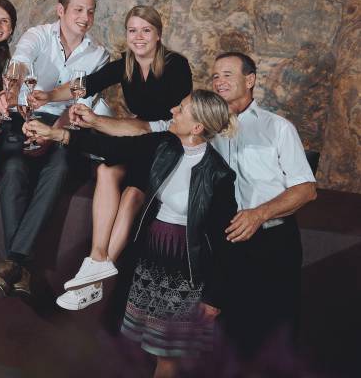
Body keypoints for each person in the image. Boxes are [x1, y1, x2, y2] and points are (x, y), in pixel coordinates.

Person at [113, 51, 317, 360]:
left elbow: (306, 189)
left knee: (272, 335)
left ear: (250, 80)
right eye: (215, 75)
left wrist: (258, 214)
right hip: (220, 242)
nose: (219, 80)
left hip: (271, 242)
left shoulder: (278, 128)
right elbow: (148, 129)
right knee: (216, 337)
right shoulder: (204, 123)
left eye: (228, 74)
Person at [25, 90, 238, 378]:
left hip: (185, 269)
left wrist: (213, 298)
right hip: (151, 258)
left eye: (182, 108)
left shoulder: (219, 175)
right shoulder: (164, 145)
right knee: (150, 348)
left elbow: (224, 241)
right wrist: (55, 133)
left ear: (197, 127)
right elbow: (112, 148)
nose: (173, 109)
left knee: (168, 357)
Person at [32, 5, 192, 309]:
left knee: (132, 194)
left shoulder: (176, 65)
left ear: (158, 34)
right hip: (137, 136)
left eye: (146, 30)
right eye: (133, 30)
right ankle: (97, 258)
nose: (139, 36)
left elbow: (177, 120)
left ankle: (92, 279)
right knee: (106, 172)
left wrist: (126, 126)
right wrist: (50, 96)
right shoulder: (126, 65)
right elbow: (85, 85)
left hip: (168, 141)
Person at [0, 0, 109, 297]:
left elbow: (83, 104)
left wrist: (54, 131)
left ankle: (12, 262)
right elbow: (19, 64)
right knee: (13, 169)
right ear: (61, 10)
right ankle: (20, 266)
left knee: (58, 168)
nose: (85, 17)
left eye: (90, 11)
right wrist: (12, 94)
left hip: (65, 124)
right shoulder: (38, 35)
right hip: (24, 115)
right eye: (78, 10)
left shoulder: (99, 55)